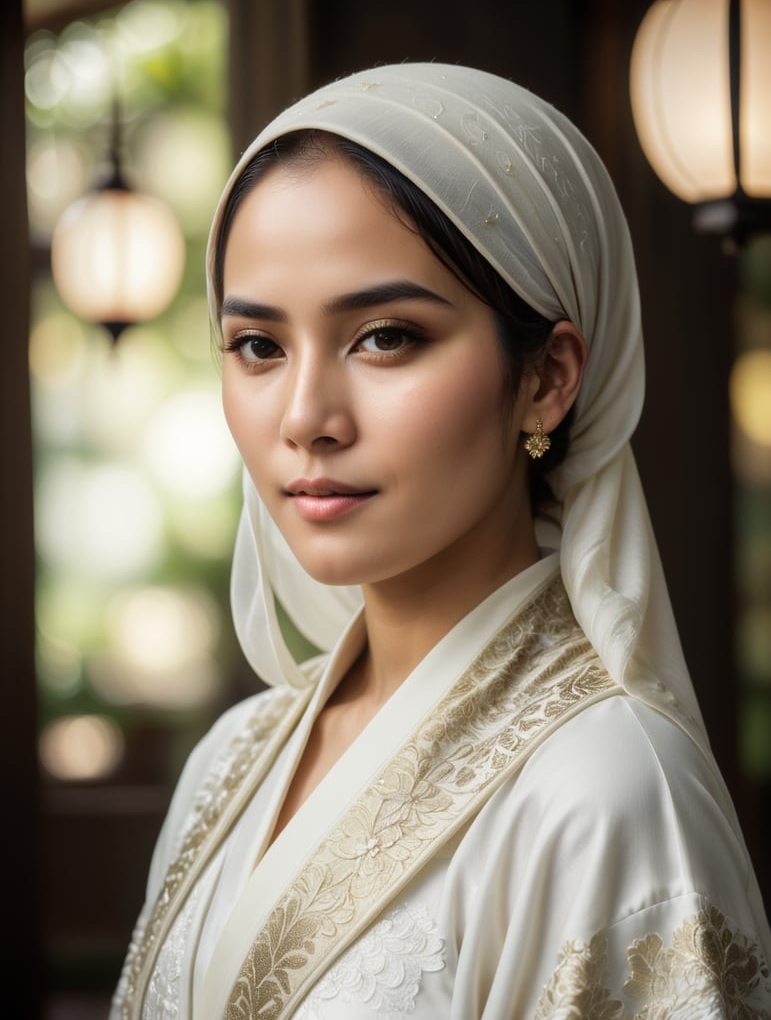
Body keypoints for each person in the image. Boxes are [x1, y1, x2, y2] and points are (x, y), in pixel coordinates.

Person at [112, 63, 771, 1019]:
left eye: (384, 337)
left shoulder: (606, 792)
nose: (305, 419)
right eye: (259, 346)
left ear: (546, 378)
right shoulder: (232, 759)